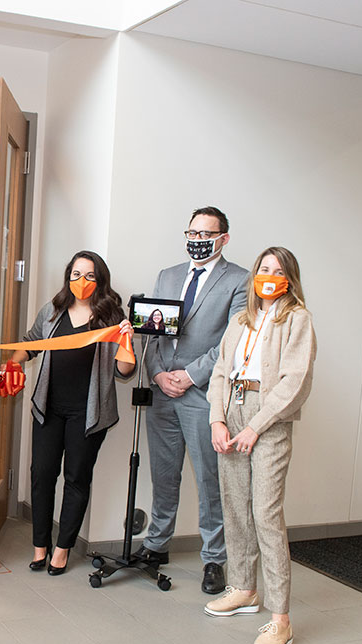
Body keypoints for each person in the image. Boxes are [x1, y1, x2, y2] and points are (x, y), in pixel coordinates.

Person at [204, 247, 315, 644]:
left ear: (290, 278)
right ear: (254, 275)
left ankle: (280, 619)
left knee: (265, 513)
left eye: (278, 270)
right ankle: (244, 588)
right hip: (232, 410)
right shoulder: (240, 320)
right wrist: (218, 419)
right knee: (234, 504)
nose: (269, 275)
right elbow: (220, 372)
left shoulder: (297, 319)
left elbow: (294, 380)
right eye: (264, 269)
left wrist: (255, 426)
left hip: (268, 418)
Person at [0, 251, 134, 574]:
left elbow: (124, 371)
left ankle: (62, 549)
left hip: (88, 415)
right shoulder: (53, 311)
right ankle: (40, 546)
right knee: (42, 476)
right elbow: (30, 344)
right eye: (75, 274)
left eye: (88, 276)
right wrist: (11, 364)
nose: (80, 282)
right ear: (67, 277)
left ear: (99, 281)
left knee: (76, 479)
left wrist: (126, 340)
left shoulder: (111, 316)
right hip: (49, 408)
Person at [135, 206, 249, 594]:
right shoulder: (167, 276)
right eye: (192, 233)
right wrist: (157, 374)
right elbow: (150, 332)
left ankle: (214, 559)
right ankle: (156, 544)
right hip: (162, 391)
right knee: (164, 475)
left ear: (223, 238)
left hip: (203, 395)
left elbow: (230, 343)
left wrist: (190, 375)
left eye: (206, 234)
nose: (197, 241)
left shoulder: (239, 281)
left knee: (209, 480)